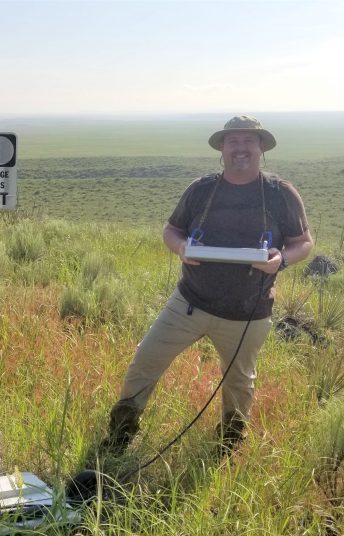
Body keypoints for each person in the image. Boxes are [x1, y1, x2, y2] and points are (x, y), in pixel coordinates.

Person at [104, 115, 313, 455]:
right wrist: (181, 248)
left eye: (248, 141)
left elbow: (303, 241)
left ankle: (228, 445)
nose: (241, 148)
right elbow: (171, 230)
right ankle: (119, 436)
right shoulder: (201, 189)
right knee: (145, 360)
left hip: (247, 313)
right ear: (222, 148)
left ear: (261, 147)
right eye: (233, 141)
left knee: (239, 383)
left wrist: (281, 260)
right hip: (189, 302)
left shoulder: (280, 193)